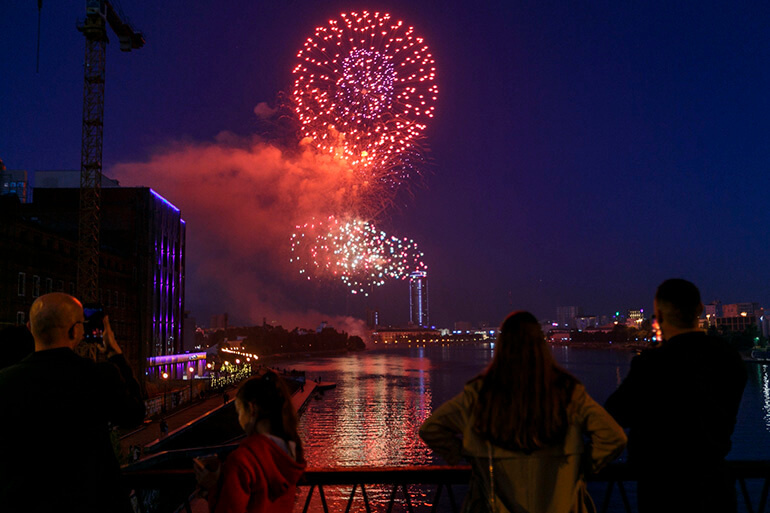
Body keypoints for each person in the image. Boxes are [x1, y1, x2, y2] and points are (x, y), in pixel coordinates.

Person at [420, 311, 626, 513]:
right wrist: (580, 465)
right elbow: (613, 437)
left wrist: (468, 455)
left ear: (502, 346)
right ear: (541, 345)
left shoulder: (480, 395)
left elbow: (432, 429)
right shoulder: (568, 394)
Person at [605, 279, 747, 512]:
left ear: (659, 315)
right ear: (700, 309)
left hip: (664, 491)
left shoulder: (652, 364)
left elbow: (614, 414)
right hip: (717, 489)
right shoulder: (729, 358)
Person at [0, 292, 145, 513]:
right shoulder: (98, 376)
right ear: (76, 330)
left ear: (30, 328)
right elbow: (135, 413)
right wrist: (116, 355)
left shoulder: (6, 381)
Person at [195, 370, 306, 513]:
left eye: (240, 411)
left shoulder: (243, 460)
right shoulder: (289, 454)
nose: (240, 419)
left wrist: (212, 486)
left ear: (252, 408)